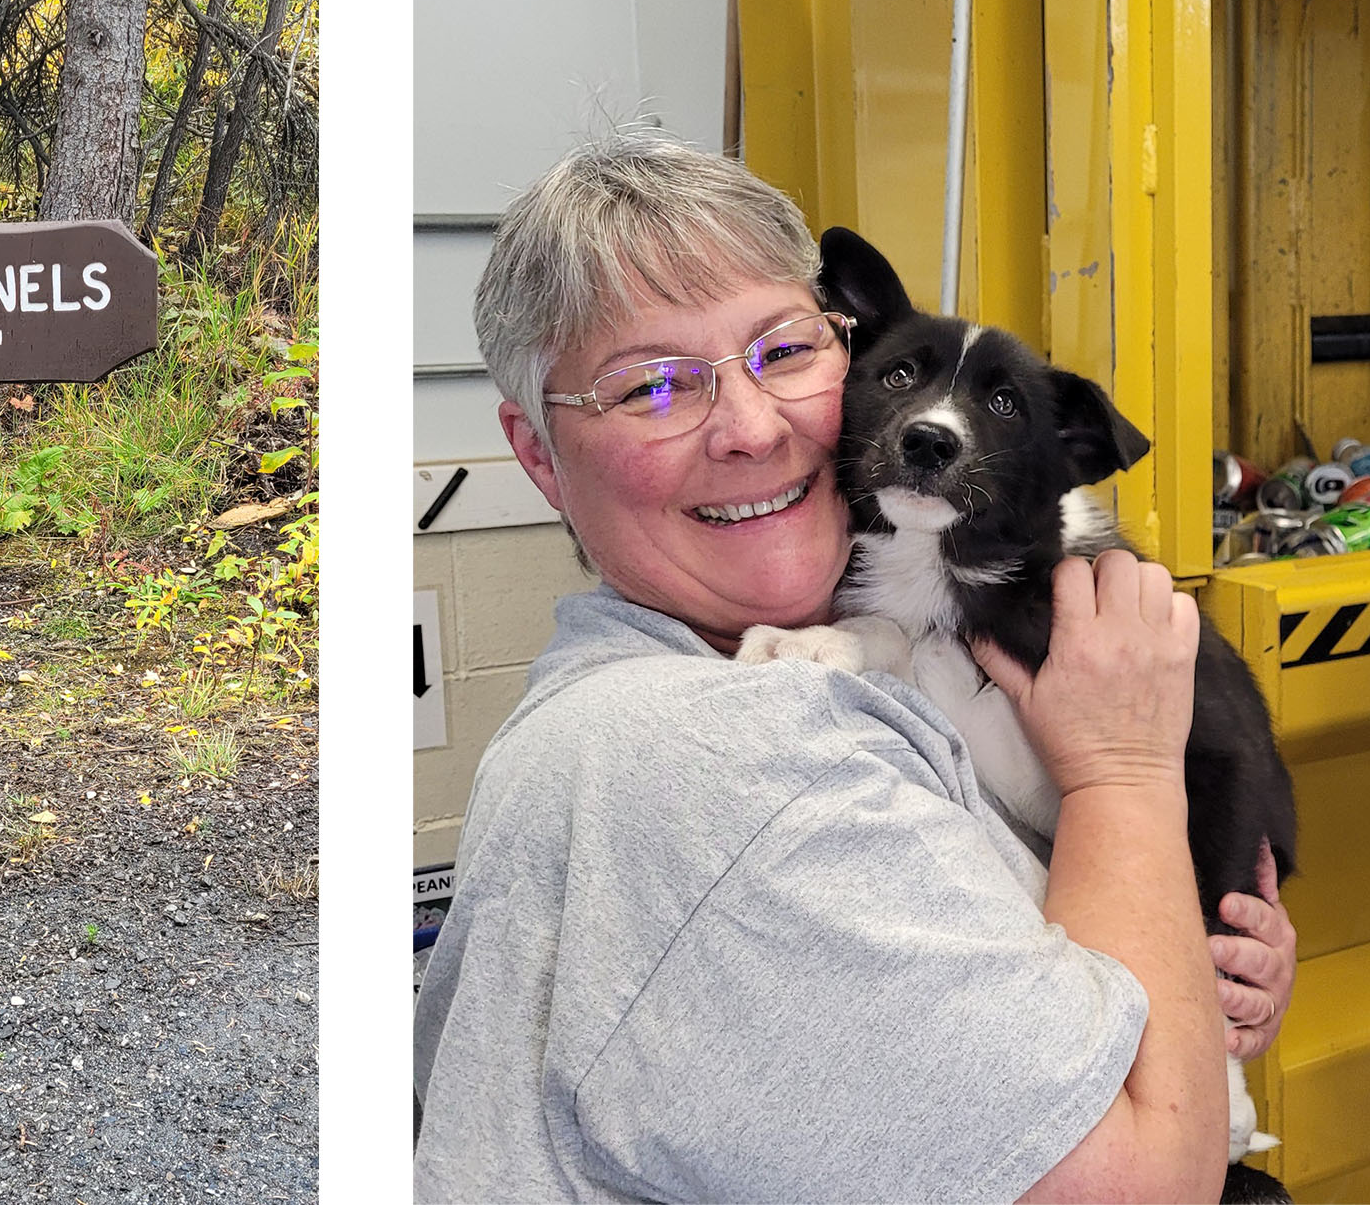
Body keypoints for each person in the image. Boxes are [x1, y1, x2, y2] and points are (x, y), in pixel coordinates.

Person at [414, 134, 1298, 1203]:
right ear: (538, 455)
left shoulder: (834, 660)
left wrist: (1198, 958)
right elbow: (1143, 1187)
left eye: (784, 353)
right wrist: (1128, 772)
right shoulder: (724, 763)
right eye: (650, 389)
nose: (750, 429)